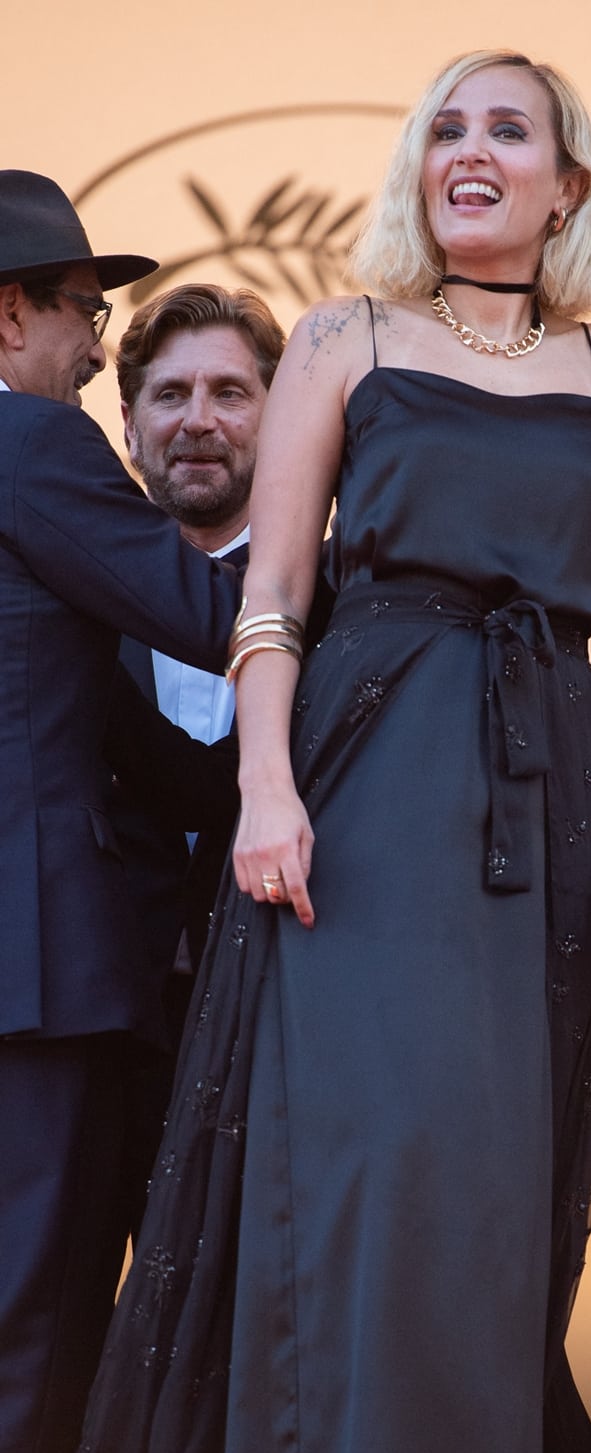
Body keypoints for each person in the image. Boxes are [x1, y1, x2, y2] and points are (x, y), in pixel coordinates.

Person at [2, 53, 591, 1453]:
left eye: (511, 133)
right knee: (349, 1186)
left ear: (571, 186)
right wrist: (268, 789)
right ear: (419, 174)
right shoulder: (340, 338)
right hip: (359, 777)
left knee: (490, 1211)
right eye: (447, 131)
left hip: (538, 783)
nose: (473, 154)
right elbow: (262, 602)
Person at [0, 173, 241, 1453]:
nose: (99, 346)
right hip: (41, 975)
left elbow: (115, 729)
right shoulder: (32, 440)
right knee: (33, 1320)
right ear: (14, 310)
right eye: (88, 313)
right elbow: (211, 616)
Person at [103, 285, 293, 1236]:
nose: (199, 422)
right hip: (101, 1036)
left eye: (231, 392)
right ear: (127, 425)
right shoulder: (63, 610)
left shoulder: (351, 607)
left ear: (283, 415)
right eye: (170, 396)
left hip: (286, 1036)